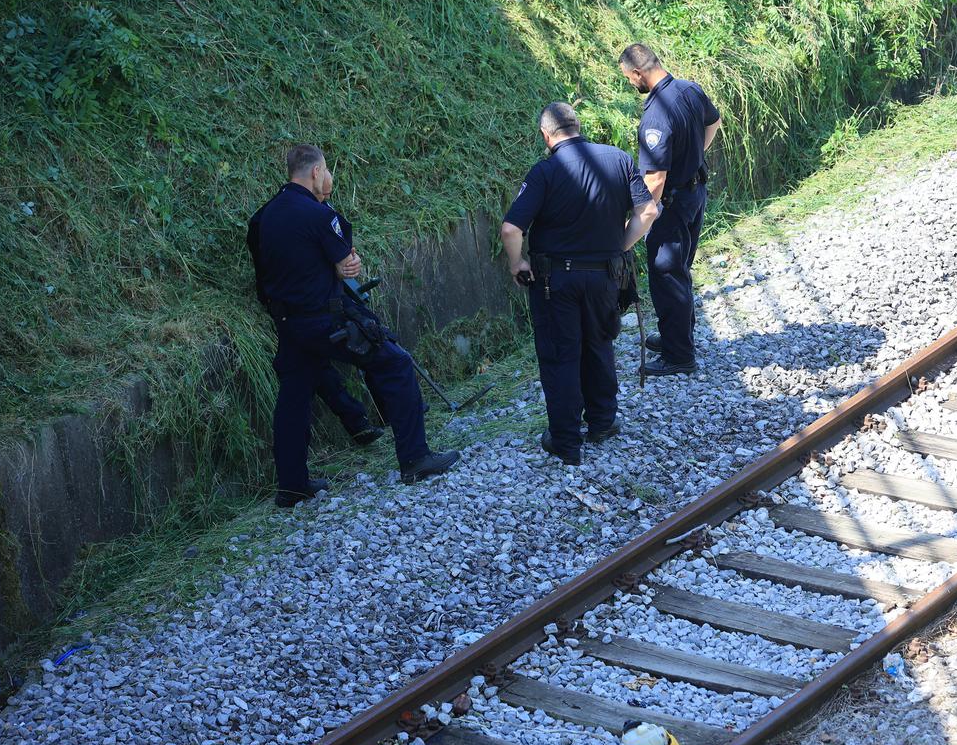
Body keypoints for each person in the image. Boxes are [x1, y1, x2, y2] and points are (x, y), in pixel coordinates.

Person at [254, 144, 459, 506]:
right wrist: (339, 259)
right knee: (394, 362)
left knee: (294, 398)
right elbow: (347, 261)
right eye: (327, 170)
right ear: (316, 172)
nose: (329, 176)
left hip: (287, 323)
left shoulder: (262, 219)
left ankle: (291, 486)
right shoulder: (317, 214)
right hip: (325, 318)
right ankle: (415, 458)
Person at [501, 102, 658, 465]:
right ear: (577, 125)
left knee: (561, 355)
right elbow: (648, 211)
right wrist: (616, 246)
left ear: (546, 135)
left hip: (555, 281)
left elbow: (511, 229)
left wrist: (517, 262)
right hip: (605, 275)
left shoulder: (545, 172)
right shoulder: (618, 159)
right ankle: (602, 422)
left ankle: (567, 441)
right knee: (599, 344)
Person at [618, 43, 722, 375]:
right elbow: (714, 122)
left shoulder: (656, 116)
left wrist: (640, 219)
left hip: (673, 204)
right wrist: (693, 158)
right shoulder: (689, 89)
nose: (631, 85)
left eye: (629, 78)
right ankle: (676, 335)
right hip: (696, 192)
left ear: (638, 73)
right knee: (680, 268)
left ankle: (679, 356)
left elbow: (656, 179)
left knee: (667, 275)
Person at [248, 196, 382, 447]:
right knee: (362, 346)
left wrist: (346, 262)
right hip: (303, 304)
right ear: (315, 173)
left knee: (310, 371)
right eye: (326, 171)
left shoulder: (292, 211)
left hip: (309, 298)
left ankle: (368, 417)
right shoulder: (285, 216)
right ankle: (375, 417)